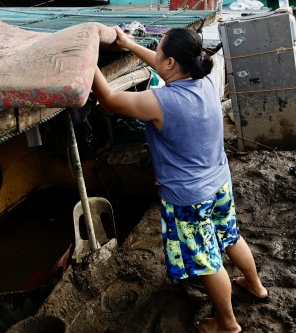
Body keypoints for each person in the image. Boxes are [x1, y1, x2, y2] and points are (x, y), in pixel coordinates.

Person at [91, 26, 267, 333]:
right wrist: (130, 44)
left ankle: (227, 323)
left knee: (208, 261)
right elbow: (163, 64)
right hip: (220, 182)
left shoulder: (158, 102)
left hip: (190, 197)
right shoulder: (206, 82)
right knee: (230, 236)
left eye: (158, 50)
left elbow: (107, 99)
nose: (156, 55)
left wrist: (85, 59)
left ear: (171, 62)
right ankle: (255, 285)